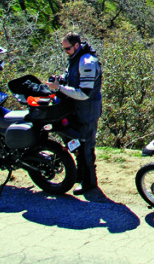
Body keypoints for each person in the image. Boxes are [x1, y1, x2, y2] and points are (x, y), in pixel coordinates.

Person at [48, 32, 103, 196]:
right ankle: (80, 175)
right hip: (77, 108)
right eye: (64, 49)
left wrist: (59, 88)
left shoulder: (87, 62)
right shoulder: (75, 58)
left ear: (77, 46)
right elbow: (71, 79)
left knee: (86, 144)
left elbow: (84, 93)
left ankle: (89, 183)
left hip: (87, 110)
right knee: (77, 142)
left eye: (67, 49)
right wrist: (60, 80)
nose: (65, 52)